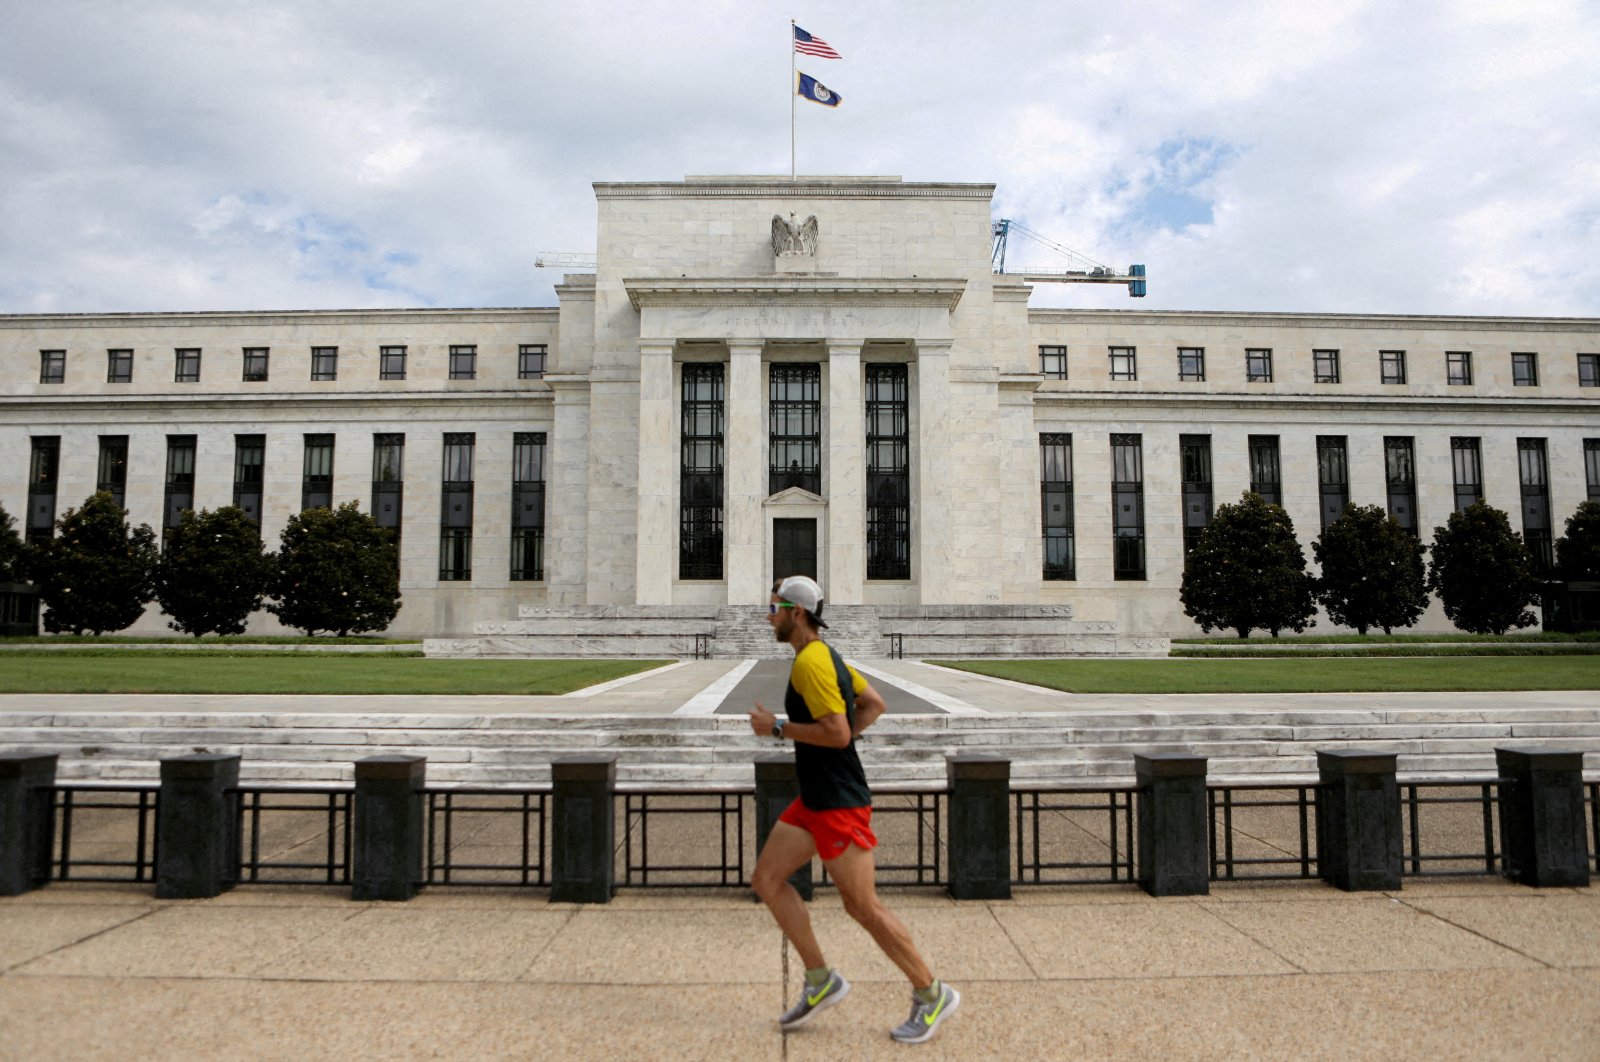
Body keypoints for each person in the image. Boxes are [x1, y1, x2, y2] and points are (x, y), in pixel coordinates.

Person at [749, 575, 960, 1045]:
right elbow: (873, 703)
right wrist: (831, 746)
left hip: (839, 803)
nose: (769, 617)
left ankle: (931, 992)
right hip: (816, 797)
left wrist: (779, 729)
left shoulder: (811, 664)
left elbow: (839, 732)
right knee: (766, 879)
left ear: (795, 613)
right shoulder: (825, 656)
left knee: (863, 907)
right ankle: (821, 978)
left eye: (773, 609)